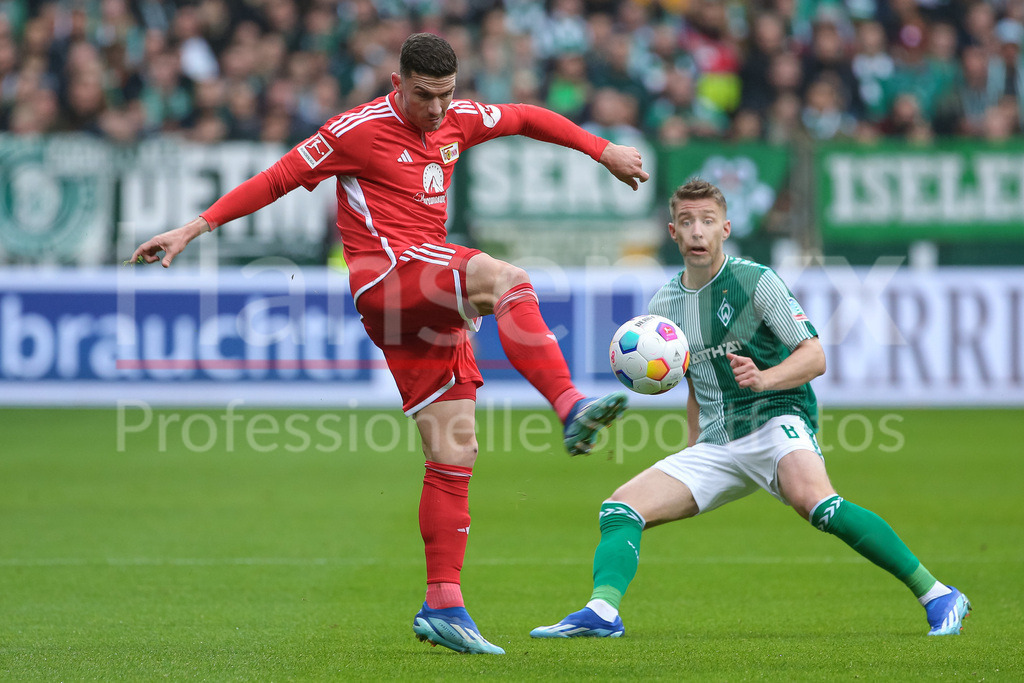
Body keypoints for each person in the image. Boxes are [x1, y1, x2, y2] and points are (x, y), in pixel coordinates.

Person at [130, 33, 649, 655]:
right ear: (397, 82)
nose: (436, 108)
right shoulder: (357, 129)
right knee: (508, 280)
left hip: (422, 307)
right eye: (424, 95)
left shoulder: (458, 119)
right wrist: (192, 229)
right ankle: (569, 406)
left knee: (455, 447)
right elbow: (277, 179)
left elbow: (528, 117)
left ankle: (443, 603)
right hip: (389, 278)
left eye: (446, 95)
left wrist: (603, 150)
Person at [530, 179, 971, 640]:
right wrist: (693, 449)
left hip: (777, 419)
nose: (697, 232)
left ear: (725, 228)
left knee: (818, 505)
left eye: (706, 222)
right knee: (619, 508)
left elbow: (815, 355)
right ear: (672, 233)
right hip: (720, 440)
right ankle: (602, 612)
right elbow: (695, 385)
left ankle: (938, 594)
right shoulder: (665, 305)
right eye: (686, 222)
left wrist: (765, 378)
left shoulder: (756, 281)